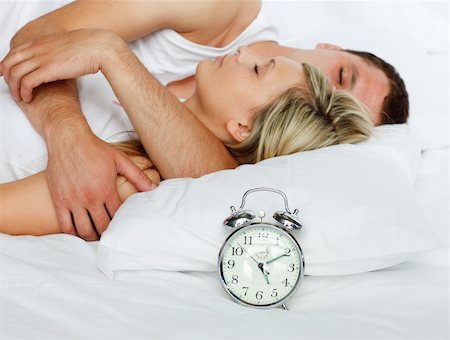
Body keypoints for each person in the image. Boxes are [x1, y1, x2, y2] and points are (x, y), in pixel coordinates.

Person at [0, 0, 406, 239]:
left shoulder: (159, 173)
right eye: (340, 77)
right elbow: (42, 36)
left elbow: (217, 182)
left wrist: (110, 54)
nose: (324, 100)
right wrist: (68, 133)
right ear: (330, 48)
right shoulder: (224, 10)